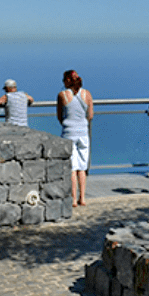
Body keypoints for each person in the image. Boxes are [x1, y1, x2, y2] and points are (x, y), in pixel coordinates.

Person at [57, 70, 92, 207]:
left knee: (72, 167)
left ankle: (72, 200)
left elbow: (60, 115)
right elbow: (90, 115)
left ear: (67, 81)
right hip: (83, 132)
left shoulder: (62, 95)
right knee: (82, 168)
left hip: (68, 132)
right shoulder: (87, 94)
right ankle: (82, 198)